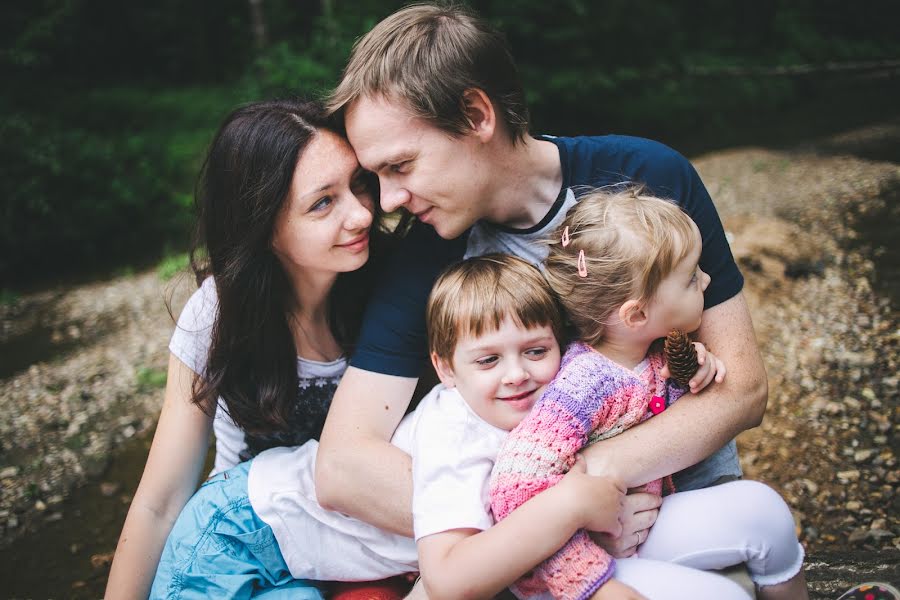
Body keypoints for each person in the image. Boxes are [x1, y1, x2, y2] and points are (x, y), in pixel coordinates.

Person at [316, 1, 767, 561]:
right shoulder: (429, 253)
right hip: (552, 557)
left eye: (401, 166)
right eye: (377, 175)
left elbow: (743, 390)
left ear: (478, 115)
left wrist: (598, 478)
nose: (388, 201)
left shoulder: (646, 179)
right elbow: (342, 466)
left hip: (693, 509)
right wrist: (557, 521)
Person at [147, 254, 626, 599]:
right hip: (241, 529)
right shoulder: (455, 435)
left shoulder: (550, 392)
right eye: (488, 360)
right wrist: (574, 504)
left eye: (536, 351)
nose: (517, 374)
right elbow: (450, 579)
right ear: (446, 370)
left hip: (297, 553)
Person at [105, 98, 390, 599]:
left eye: (358, 184)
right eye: (323, 202)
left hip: (360, 545)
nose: (361, 214)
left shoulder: (390, 293)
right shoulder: (219, 313)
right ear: (264, 227)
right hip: (253, 544)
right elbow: (161, 500)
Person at [489, 188, 808, 600]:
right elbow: (515, 490)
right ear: (636, 314)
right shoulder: (581, 387)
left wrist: (692, 370)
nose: (707, 280)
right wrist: (589, 579)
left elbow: (660, 402)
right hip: (573, 574)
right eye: (692, 277)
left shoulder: (649, 355)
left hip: (639, 533)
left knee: (763, 510)